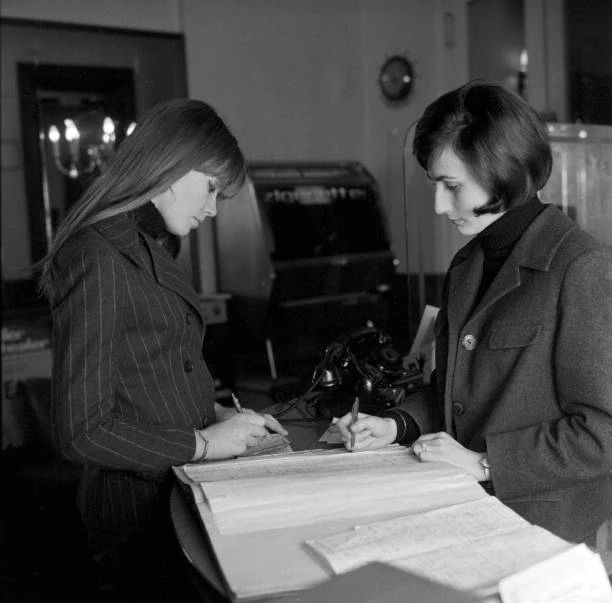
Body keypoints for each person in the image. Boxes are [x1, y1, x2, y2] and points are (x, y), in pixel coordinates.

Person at [337, 80, 612, 546]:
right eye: (435, 185)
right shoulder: (467, 266)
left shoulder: (580, 266)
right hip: (469, 511)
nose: (440, 205)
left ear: (503, 172)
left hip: (548, 533)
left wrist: (484, 462)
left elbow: (602, 433)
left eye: (452, 186)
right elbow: (455, 392)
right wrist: (394, 424)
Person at [37, 98, 288, 600]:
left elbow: (148, 373)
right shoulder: (97, 256)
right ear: (169, 165)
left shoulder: (148, 243)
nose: (213, 209)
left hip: (175, 489)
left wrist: (220, 416)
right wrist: (205, 444)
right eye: (212, 188)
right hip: (135, 512)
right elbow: (82, 431)